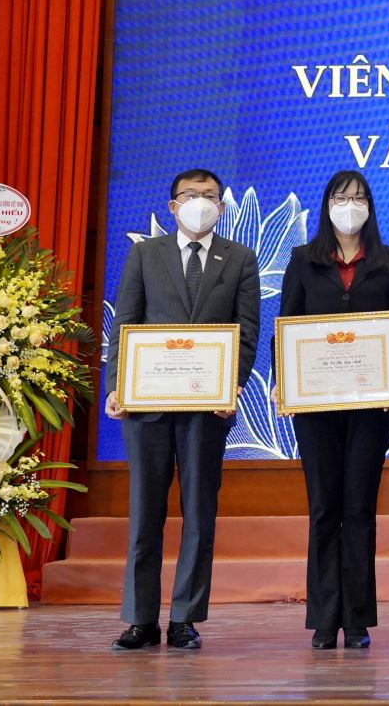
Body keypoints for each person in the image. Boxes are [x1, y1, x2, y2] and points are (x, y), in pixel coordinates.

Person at [104, 169, 261, 651]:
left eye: (210, 196)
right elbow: (125, 322)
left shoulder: (240, 258)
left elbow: (246, 332)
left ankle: (185, 618)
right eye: (192, 196)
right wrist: (116, 386)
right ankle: (140, 620)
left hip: (207, 408)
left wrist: (231, 386)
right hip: (146, 405)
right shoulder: (145, 254)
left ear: (222, 207)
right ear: (173, 206)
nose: (201, 203)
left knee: (199, 513)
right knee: (145, 513)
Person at [272, 170, 389, 651]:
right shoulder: (302, 260)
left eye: (358, 197)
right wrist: (283, 380)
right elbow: (287, 322)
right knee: (324, 507)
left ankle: (356, 619)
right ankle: (323, 618)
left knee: (359, 507)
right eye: (340, 196)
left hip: (372, 403)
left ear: (370, 206)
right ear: (326, 204)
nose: (350, 205)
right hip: (316, 403)